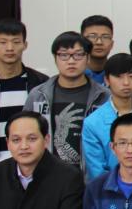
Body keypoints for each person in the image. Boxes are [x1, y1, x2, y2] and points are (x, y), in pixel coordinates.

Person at [0, 19, 48, 184]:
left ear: (25, 45)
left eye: (16, 42)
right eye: (3, 42)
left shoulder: (42, 84)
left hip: (36, 172)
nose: (9, 48)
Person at [24, 32, 110, 171]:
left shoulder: (104, 96)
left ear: (88, 58)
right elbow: (26, 133)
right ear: (55, 58)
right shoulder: (38, 95)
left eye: (78, 55)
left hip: (91, 175)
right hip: (48, 174)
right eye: (64, 55)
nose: (71, 61)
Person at [82, 54, 132, 182]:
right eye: (119, 77)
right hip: (109, 189)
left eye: (131, 76)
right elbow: (96, 170)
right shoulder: (92, 123)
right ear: (107, 80)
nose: (126, 83)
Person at [81, 15, 114, 85]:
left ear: (112, 44)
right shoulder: (73, 76)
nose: (99, 42)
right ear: (81, 42)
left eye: (105, 37)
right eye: (92, 36)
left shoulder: (119, 77)